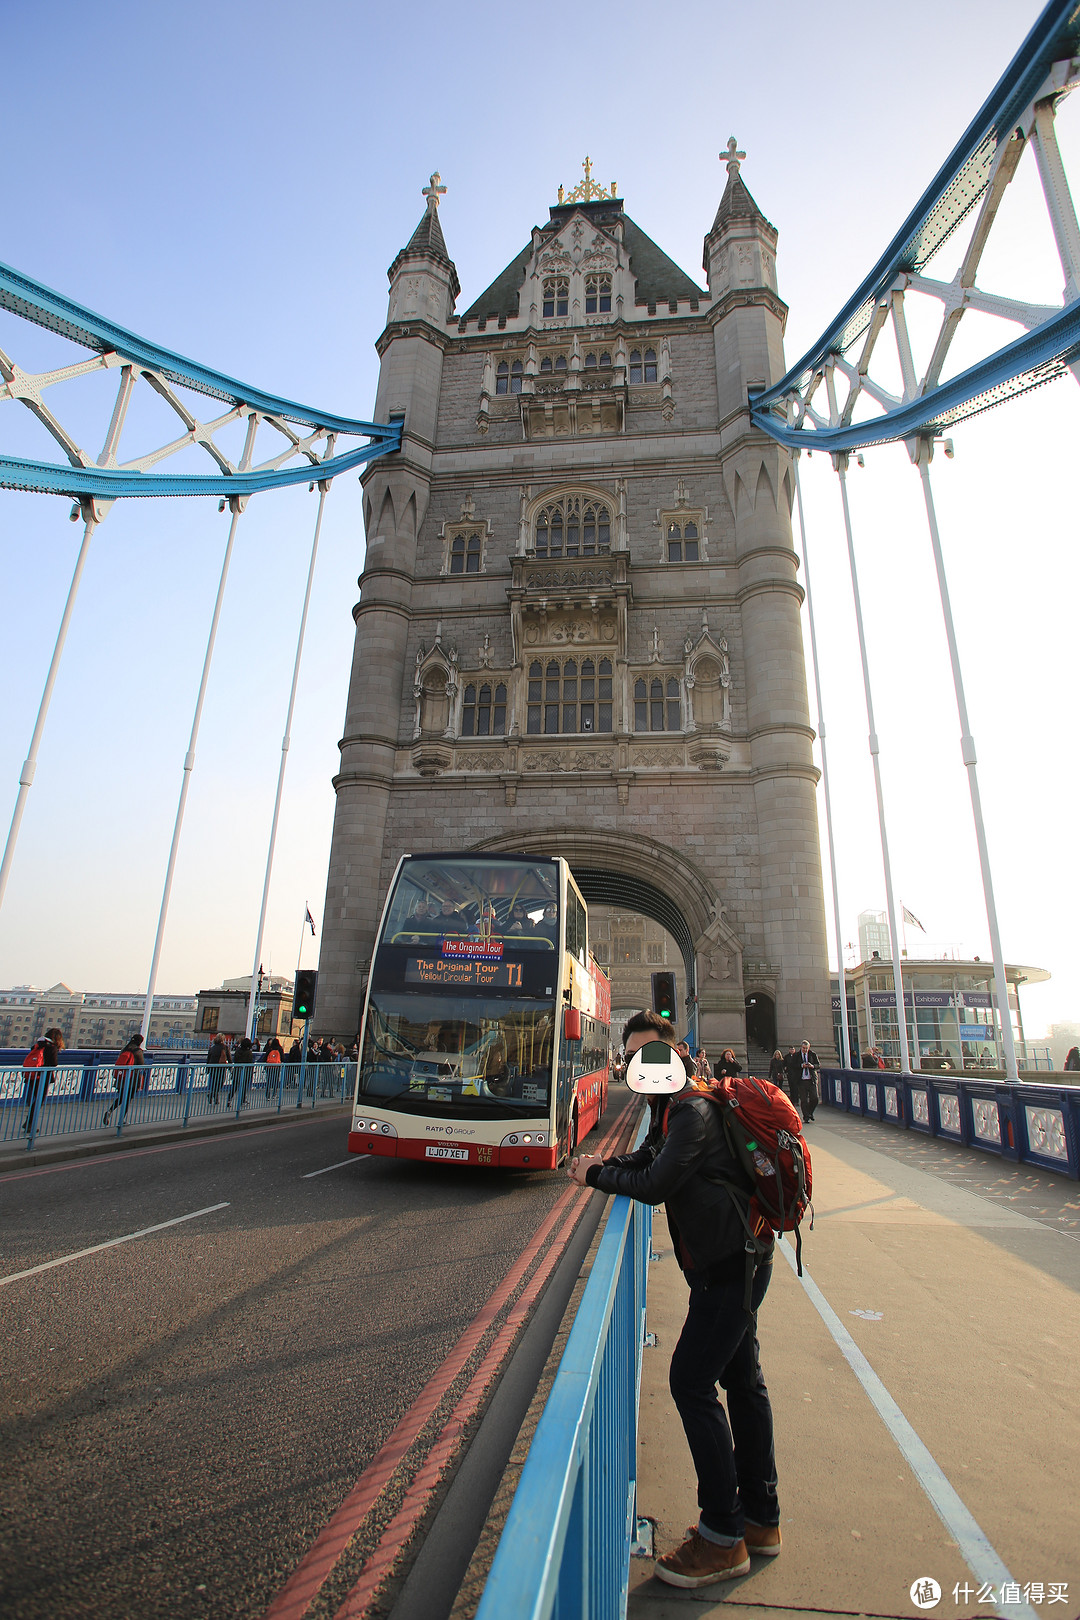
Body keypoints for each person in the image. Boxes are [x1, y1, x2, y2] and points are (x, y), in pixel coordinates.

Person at [568, 1009, 781, 1586]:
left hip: (729, 1269)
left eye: (651, 1053)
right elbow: (648, 1160)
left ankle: (721, 1536)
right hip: (735, 1260)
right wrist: (608, 1163)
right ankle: (761, 1519)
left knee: (691, 1383)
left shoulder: (692, 1111)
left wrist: (594, 1178)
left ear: (676, 1052)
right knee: (742, 1381)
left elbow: (657, 1184)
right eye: (634, 1056)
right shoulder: (674, 1107)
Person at [21, 1026, 64, 1134]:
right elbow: (54, 1064)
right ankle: (29, 1124)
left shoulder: (36, 1046)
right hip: (42, 1077)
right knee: (39, 1100)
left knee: (36, 1099)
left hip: (31, 1076)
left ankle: (29, 1123)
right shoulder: (52, 1048)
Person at [103, 1033, 145, 1126]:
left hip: (121, 1078)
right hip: (132, 1079)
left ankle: (110, 1111)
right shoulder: (138, 1051)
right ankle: (121, 1120)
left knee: (121, 1097)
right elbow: (141, 1064)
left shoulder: (124, 1049)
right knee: (127, 1099)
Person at [794, 1039, 819, 1122]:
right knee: (804, 1100)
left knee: (815, 1098)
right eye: (803, 1048)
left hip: (811, 1079)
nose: (805, 1050)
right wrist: (801, 1066)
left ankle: (810, 1112)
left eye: (806, 1048)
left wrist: (812, 1066)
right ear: (801, 1048)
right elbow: (793, 1065)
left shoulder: (812, 1054)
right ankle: (806, 1117)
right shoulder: (796, 1056)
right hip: (801, 1080)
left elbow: (818, 1065)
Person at [228, 1036, 254, 1107]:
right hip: (245, 1071)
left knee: (234, 1086)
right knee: (244, 1087)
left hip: (237, 1070)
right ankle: (242, 1101)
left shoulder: (237, 1051)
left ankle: (229, 1099)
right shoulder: (249, 1053)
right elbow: (250, 1063)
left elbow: (235, 1060)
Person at [207, 1033, 230, 1104]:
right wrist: (230, 1066)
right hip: (221, 1067)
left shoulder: (212, 1047)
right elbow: (228, 1057)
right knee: (220, 1082)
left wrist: (207, 1068)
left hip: (213, 1066)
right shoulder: (225, 1047)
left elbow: (209, 1058)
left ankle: (213, 1096)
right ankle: (213, 1095)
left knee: (214, 1082)